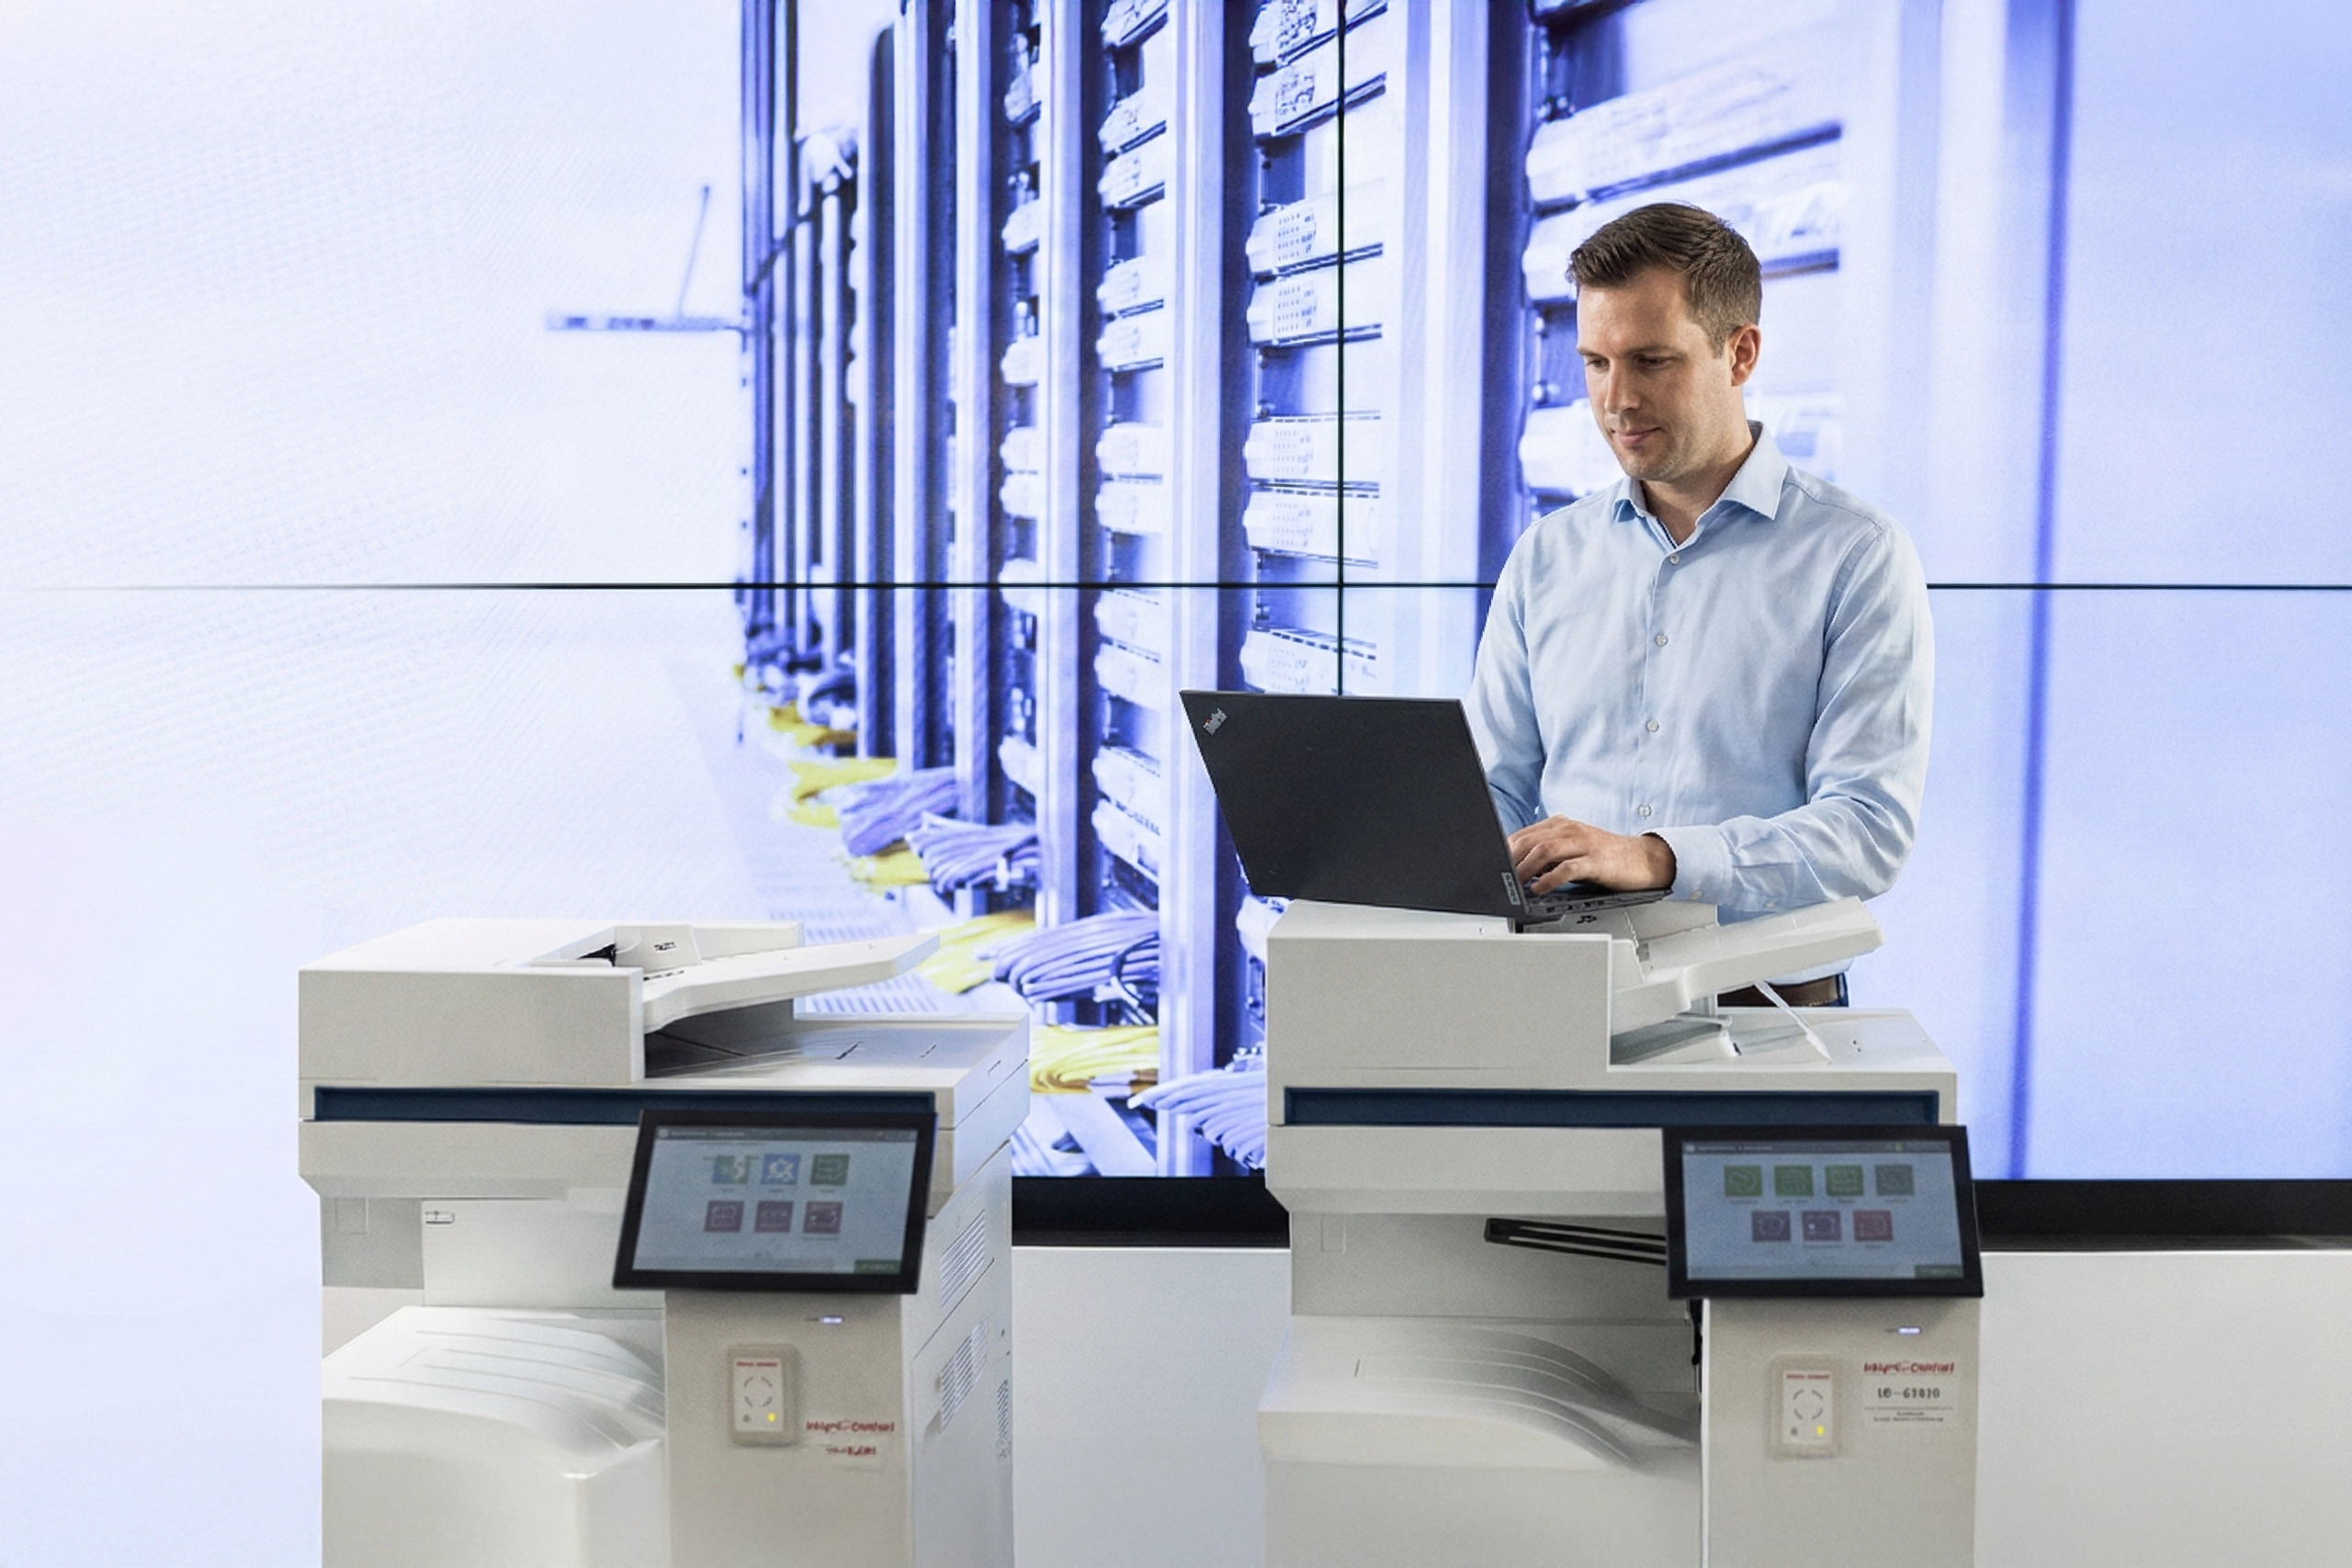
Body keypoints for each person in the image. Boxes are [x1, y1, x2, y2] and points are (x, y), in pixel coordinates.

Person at [1465, 202, 1931, 1001]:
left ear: (1739, 352)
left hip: (1766, 1012)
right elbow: (1494, 787)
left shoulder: (1855, 556)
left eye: (1651, 361)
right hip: (1558, 995)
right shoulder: (1547, 557)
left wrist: (1659, 857)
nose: (1617, 399)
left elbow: (1868, 828)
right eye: (1595, 362)